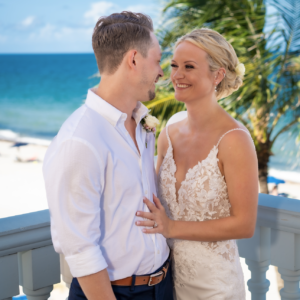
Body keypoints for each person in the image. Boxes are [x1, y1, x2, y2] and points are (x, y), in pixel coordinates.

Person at [43, 12, 173, 300]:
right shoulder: (80, 141)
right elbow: (80, 248)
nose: (162, 71)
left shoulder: (143, 125)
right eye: (158, 60)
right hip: (115, 294)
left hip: (163, 286)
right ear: (134, 60)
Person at [136, 28, 259, 299]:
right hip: (166, 281)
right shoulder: (169, 130)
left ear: (217, 75)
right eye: (174, 66)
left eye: (189, 67)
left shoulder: (234, 140)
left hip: (215, 287)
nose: (177, 75)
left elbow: (245, 224)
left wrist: (172, 228)